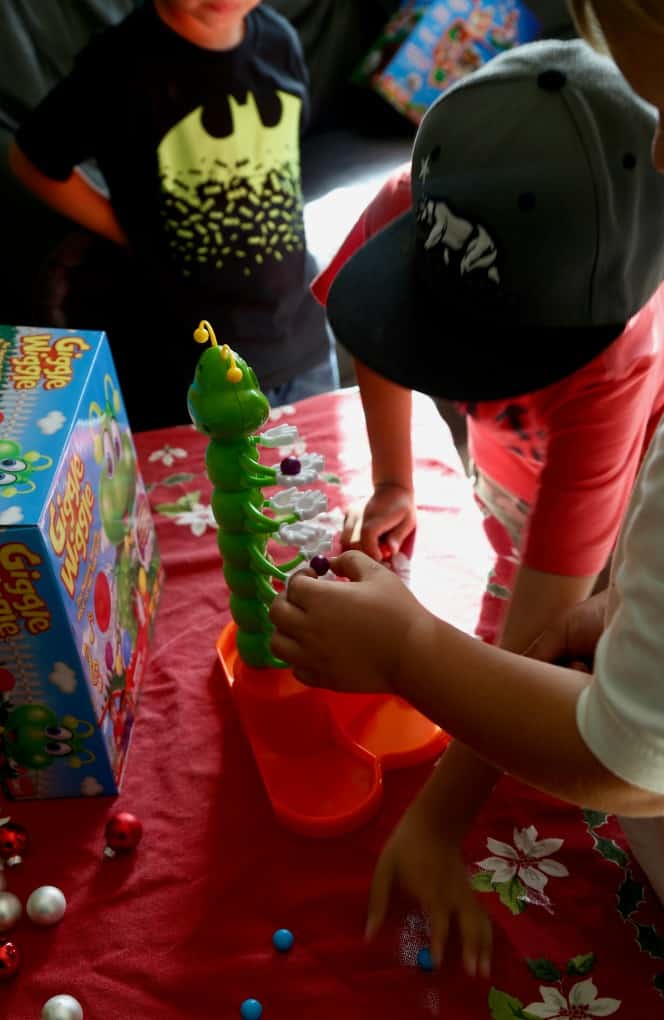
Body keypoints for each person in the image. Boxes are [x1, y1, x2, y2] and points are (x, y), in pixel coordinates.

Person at [269, 17, 664, 981]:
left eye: (496, 363)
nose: (471, 385)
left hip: (606, 544)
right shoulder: (426, 201)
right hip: (522, 492)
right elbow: (367, 328)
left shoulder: (617, 372)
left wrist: (439, 814)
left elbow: (549, 644)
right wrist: (399, 476)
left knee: (557, 640)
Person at [9, 0, 338, 431]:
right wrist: (121, 228)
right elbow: (32, 158)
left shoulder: (279, 40)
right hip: (189, 363)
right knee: (218, 492)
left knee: (317, 488)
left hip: (303, 341)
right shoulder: (118, 64)